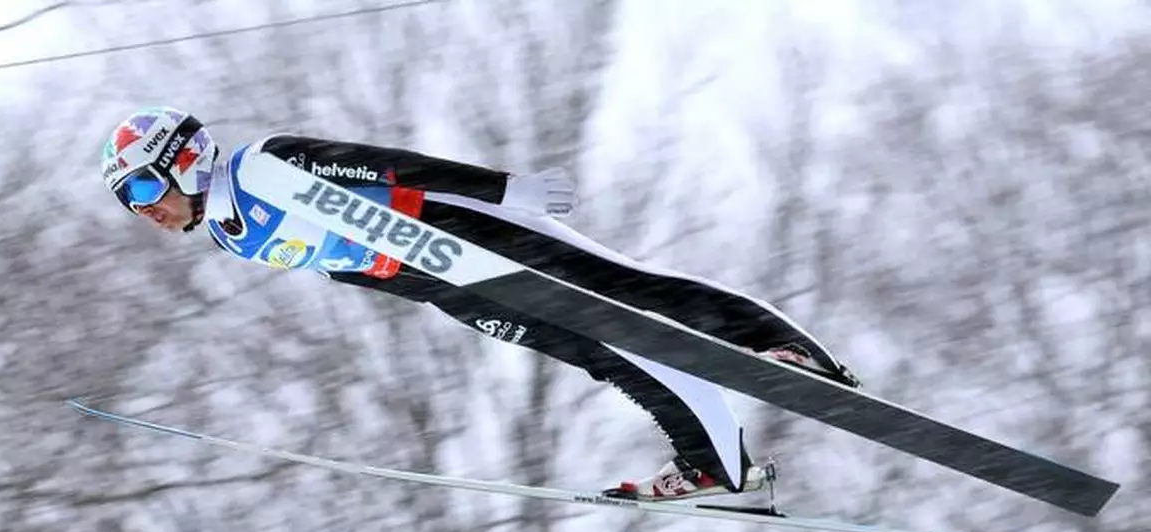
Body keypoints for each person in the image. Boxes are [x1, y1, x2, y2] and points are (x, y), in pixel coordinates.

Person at [99, 106, 861, 502]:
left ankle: (787, 351)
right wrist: (428, 294)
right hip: (434, 274)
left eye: (141, 187)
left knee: (623, 288)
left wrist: (505, 190)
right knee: (599, 348)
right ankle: (713, 468)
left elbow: (381, 165)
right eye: (129, 203)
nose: (144, 210)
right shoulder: (231, 237)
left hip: (454, 223)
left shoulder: (261, 165)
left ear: (183, 159)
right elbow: (343, 264)